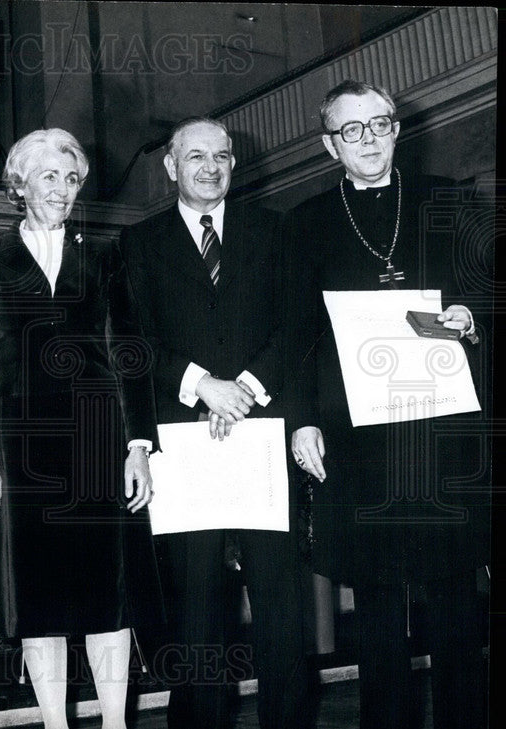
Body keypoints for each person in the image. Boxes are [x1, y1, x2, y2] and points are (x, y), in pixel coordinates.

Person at [284, 80, 489, 729]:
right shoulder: (306, 222)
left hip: (440, 430)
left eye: (380, 124)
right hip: (356, 441)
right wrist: (302, 420)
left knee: (456, 592)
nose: (368, 138)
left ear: (398, 130)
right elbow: (294, 334)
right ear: (328, 144)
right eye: (352, 129)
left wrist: (473, 315)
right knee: (376, 602)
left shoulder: (449, 200)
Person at [0, 128, 161, 729]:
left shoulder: (105, 256)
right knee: (36, 593)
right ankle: (53, 721)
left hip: (98, 442)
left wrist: (138, 446)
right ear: (19, 183)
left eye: (72, 179)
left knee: (109, 588)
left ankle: (115, 721)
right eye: (50, 176)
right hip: (18, 446)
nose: (63, 190)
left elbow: (129, 350)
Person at [121, 117, 313, 729]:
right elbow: (132, 341)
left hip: (263, 436)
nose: (210, 167)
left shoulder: (276, 231)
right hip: (183, 442)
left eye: (221, 156)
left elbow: (299, 327)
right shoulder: (137, 245)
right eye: (196, 156)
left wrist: (246, 390)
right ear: (171, 167)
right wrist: (200, 384)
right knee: (197, 608)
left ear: (235, 163)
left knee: (281, 605)